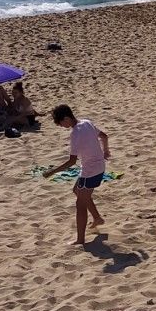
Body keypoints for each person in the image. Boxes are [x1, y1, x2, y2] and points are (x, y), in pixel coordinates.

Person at [47, 104, 109, 246]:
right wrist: (106, 151)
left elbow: (71, 161)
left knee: (80, 203)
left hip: (90, 172)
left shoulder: (75, 133)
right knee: (77, 190)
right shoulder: (87, 122)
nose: (61, 126)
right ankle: (97, 218)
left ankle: (80, 239)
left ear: (67, 118)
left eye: (61, 123)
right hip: (98, 167)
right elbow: (104, 136)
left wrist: (52, 171)